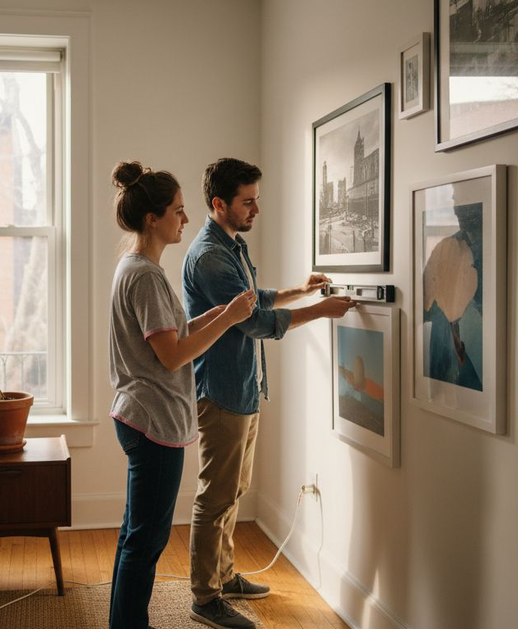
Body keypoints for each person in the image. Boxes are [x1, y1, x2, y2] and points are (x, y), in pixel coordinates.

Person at [182, 158, 357, 629]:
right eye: (248, 201)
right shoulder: (211, 256)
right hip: (220, 391)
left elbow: (253, 297)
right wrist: (319, 310)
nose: (257, 208)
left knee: (233, 489)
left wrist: (299, 291)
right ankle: (205, 599)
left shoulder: (230, 246)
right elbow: (254, 322)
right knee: (215, 496)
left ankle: (223, 576)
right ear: (219, 204)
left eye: (257, 198)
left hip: (241, 387)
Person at [107, 160, 257, 629]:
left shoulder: (135, 267)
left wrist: (224, 313)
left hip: (140, 417)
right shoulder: (147, 277)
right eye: (177, 210)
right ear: (153, 218)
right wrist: (231, 320)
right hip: (152, 423)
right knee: (146, 541)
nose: (185, 219)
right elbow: (172, 356)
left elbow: (176, 332)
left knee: (135, 535)